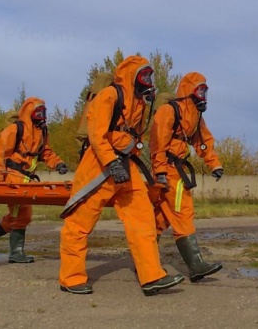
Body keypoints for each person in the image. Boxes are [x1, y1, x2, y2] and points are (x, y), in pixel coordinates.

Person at [59, 55, 184, 296]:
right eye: (144, 75)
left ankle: (151, 276)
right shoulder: (110, 95)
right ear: (131, 76)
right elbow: (97, 134)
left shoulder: (139, 103)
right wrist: (110, 162)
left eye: (150, 76)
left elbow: (135, 136)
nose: (148, 80)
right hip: (98, 166)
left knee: (143, 218)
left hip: (126, 165)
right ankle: (70, 278)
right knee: (79, 223)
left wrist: (123, 161)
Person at [148, 72, 224, 282]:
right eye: (200, 90)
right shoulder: (169, 111)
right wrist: (161, 170)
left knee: (160, 219)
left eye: (205, 90)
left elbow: (203, 141)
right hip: (170, 171)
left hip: (174, 170)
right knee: (183, 212)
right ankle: (196, 265)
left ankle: (145, 262)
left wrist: (214, 163)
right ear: (189, 91)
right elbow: (157, 143)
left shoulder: (194, 116)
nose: (203, 94)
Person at [0, 97, 68, 263]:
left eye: (44, 112)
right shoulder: (14, 130)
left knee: (19, 215)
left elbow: (45, 152)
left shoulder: (42, 131)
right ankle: (15, 253)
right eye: (38, 112)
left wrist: (58, 164)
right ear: (30, 113)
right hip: (13, 177)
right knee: (21, 214)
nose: (42, 115)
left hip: (26, 179)